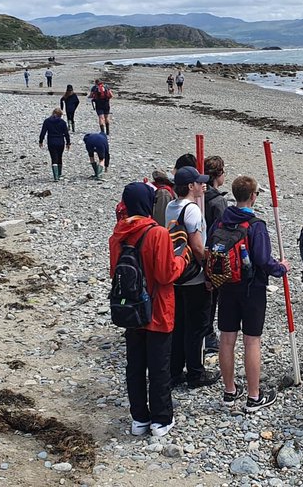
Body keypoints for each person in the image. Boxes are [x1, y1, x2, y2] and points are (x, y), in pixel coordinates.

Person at [110, 182, 190, 438]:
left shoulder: (117, 235)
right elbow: (167, 274)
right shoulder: (157, 234)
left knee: (134, 365)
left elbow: (114, 273)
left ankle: (139, 418)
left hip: (131, 309)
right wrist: (182, 257)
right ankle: (161, 419)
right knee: (159, 365)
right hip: (158, 308)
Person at [214, 176, 289, 412]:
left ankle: (229, 391)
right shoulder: (256, 225)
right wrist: (282, 268)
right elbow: (264, 260)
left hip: (225, 284)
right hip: (252, 288)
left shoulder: (220, 223)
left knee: (226, 339)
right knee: (251, 340)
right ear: (253, 196)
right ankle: (254, 396)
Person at [165, 166, 217, 388]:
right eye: (198, 182)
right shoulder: (193, 210)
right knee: (197, 326)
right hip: (194, 276)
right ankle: (196, 372)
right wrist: (209, 271)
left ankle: (175, 371)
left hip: (177, 274)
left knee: (179, 325)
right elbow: (197, 245)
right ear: (190, 186)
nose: (202, 185)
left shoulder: (170, 206)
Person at [202, 156, 229, 354]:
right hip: (211, 252)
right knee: (211, 297)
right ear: (218, 174)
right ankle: (208, 334)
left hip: (200, 249)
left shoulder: (199, 195)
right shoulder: (218, 201)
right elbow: (222, 231)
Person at [39, 108, 71, 181]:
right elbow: (66, 133)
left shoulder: (47, 121)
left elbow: (43, 132)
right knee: (60, 157)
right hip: (60, 141)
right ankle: (59, 174)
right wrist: (68, 143)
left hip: (51, 141)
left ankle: (55, 177)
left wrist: (41, 141)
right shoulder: (62, 122)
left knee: (54, 157)